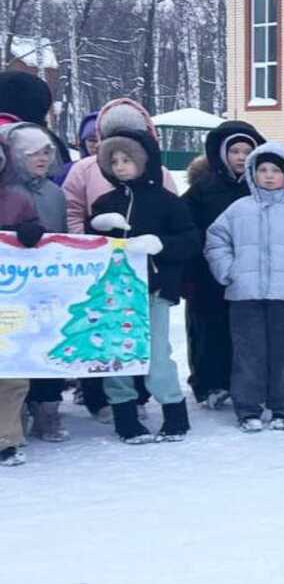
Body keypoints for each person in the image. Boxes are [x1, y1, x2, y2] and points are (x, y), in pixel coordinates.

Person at [204, 144, 284, 432]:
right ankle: (248, 408)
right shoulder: (239, 209)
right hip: (245, 295)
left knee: (283, 354)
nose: (269, 175)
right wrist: (227, 269)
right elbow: (216, 241)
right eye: (262, 170)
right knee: (248, 353)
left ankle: (282, 408)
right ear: (252, 173)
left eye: (276, 170)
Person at [88, 131, 201, 444]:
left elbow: (191, 241)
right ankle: (126, 418)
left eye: (127, 160)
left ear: (144, 161)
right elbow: (88, 251)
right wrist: (95, 226)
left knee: (157, 354)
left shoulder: (167, 202)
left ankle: (174, 414)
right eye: (114, 161)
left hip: (155, 290)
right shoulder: (105, 203)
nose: (120, 167)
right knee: (116, 353)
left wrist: (161, 244)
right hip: (113, 294)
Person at [181, 120, 264, 409]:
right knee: (207, 331)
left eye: (247, 152)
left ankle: (241, 382)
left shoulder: (261, 188)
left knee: (244, 332)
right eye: (235, 151)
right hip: (207, 275)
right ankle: (208, 384)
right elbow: (187, 229)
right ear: (221, 154)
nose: (241, 157)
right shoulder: (202, 190)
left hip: (249, 272)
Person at [0, 122, 69, 442]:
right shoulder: (10, 192)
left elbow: (64, 234)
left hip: (44, 281)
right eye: (32, 153)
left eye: (46, 152)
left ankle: (47, 410)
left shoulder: (55, 193)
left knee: (46, 342)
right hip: (11, 286)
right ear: (16, 156)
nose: (41, 159)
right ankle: (15, 417)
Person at [62, 98, 178, 234]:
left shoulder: (160, 173)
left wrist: (158, 243)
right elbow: (71, 213)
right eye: (114, 135)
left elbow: (176, 222)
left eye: (131, 135)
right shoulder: (84, 169)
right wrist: (90, 241)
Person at [0, 134, 46, 466]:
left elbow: (38, 237)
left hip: (10, 299)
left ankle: (6, 437)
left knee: (11, 372)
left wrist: (30, 233)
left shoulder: (16, 199)